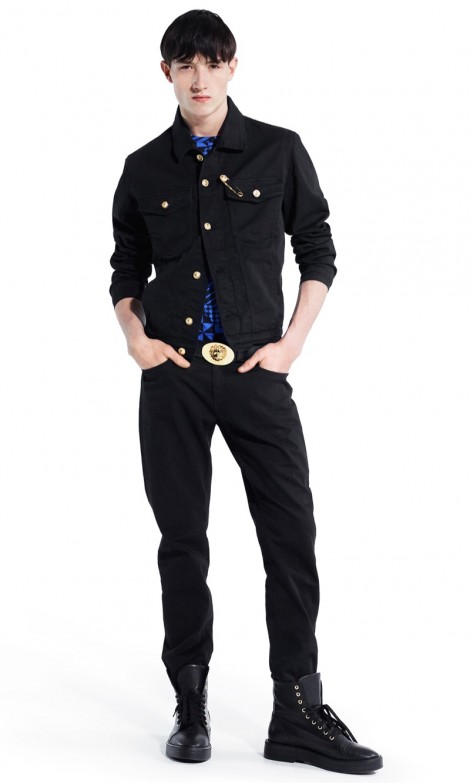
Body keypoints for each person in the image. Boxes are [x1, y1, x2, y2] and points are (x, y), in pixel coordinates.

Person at [108, 8, 383, 774]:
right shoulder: (143, 166)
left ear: (233, 66)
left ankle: (297, 710)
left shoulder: (278, 150)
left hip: (257, 374)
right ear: (166, 72)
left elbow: (318, 246)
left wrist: (292, 344)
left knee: (290, 533)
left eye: (212, 62)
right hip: (173, 376)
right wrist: (136, 339)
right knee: (182, 541)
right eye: (185, 64)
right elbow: (125, 263)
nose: (199, 77)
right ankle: (190, 703)